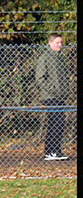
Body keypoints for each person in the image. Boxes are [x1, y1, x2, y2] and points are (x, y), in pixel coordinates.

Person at [35, 33, 69, 161]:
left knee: (57, 123)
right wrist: (53, 90)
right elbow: (39, 78)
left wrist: (65, 91)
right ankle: (51, 151)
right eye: (57, 42)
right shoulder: (44, 58)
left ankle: (53, 151)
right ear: (50, 43)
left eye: (61, 42)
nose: (60, 45)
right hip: (50, 96)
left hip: (60, 96)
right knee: (57, 121)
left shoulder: (59, 58)